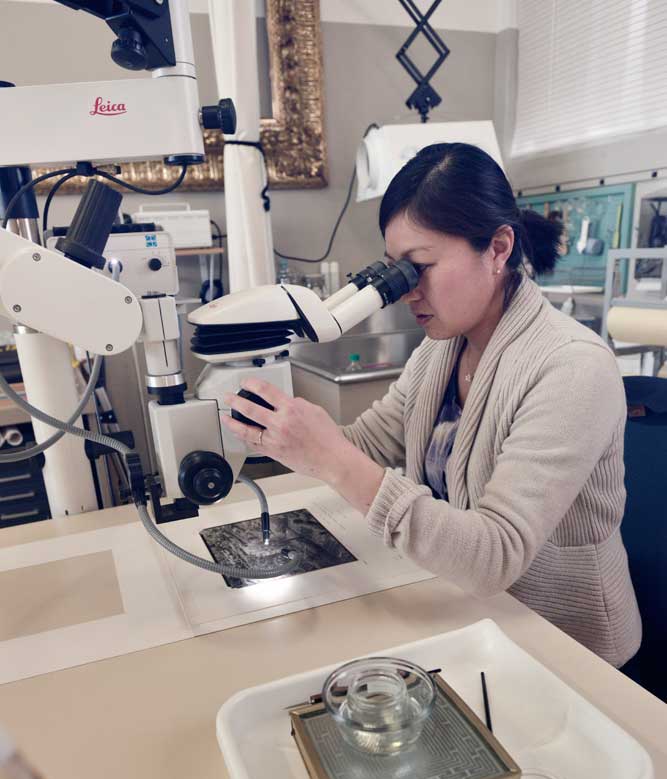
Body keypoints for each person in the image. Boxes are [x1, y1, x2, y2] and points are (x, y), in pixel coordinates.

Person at [222, 142, 641, 668]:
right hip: (469, 615)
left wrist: (332, 457)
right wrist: (285, 432)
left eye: (420, 266)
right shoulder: (441, 348)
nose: (405, 292)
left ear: (498, 248)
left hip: (566, 646)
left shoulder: (574, 367)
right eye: (396, 269)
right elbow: (364, 447)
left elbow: (494, 555)